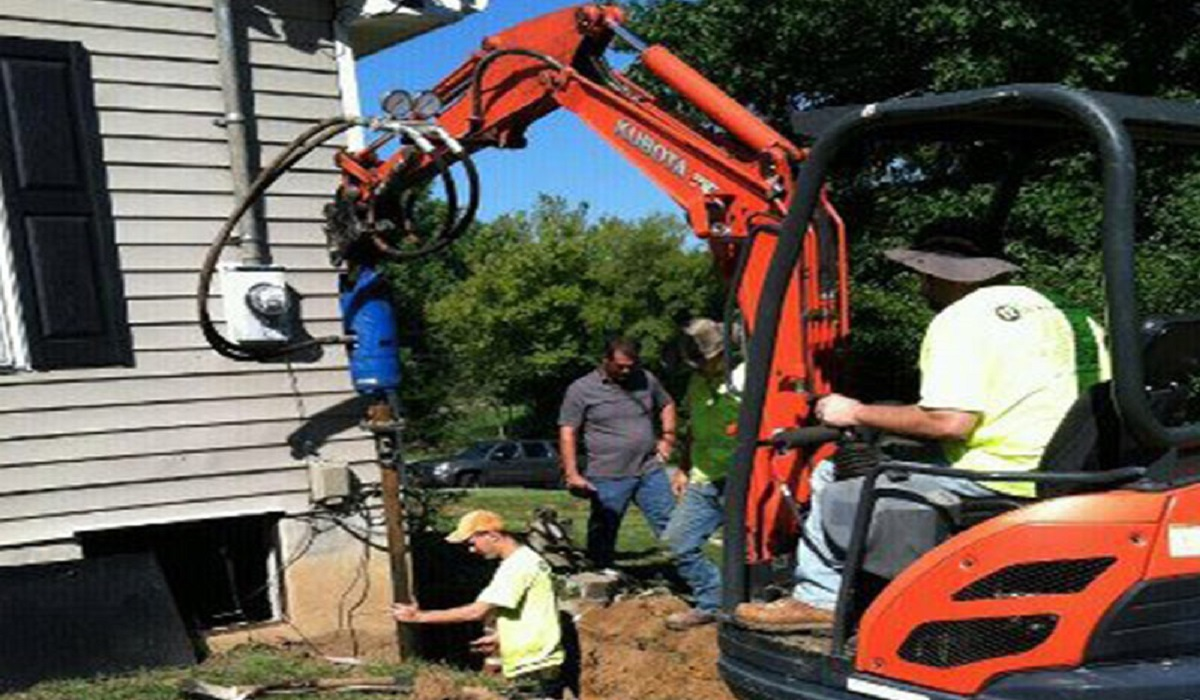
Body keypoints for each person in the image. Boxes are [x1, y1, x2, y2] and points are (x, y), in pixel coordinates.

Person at [734, 219, 1110, 632]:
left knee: (832, 472)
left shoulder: (963, 319)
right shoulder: (1071, 314)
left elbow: (949, 422)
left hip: (1000, 476)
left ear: (939, 274)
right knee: (899, 456)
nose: (921, 288)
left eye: (923, 277)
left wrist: (854, 412)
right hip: (1075, 469)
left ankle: (819, 599)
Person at [393, 510, 565, 698]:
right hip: (538, 659)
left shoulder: (517, 567)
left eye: (472, 542)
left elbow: (476, 611)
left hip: (533, 662)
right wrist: (503, 636)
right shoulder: (526, 561)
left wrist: (419, 617)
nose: (472, 549)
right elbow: (535, 610)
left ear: (492, 535)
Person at [558, 337, 678, 570]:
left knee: (674, 526)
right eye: (620, 366)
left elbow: (667, 404)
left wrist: (668, 438)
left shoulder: (646, 379)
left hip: (648, 469)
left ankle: (694, 580)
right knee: (604, 531)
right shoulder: (581, 389)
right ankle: (599, 580)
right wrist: (572, 473)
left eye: (631, 366)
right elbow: (568, 432)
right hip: (607, 474)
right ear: (605, 360)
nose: (626, 371)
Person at [663, 318, 742, 631]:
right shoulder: (697, 382)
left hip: (743, 478)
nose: (697, 367)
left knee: (750, 551)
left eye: (703, 361)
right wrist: (683, 468)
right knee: (678, 542)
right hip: (704, 476)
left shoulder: (747, 378)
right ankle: (712, 601)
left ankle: (748, 604)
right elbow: (694, 428)